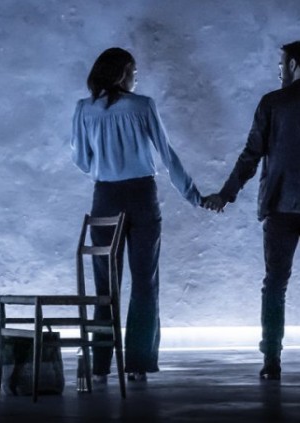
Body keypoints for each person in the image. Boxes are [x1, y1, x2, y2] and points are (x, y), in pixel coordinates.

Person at [204, 41, 300, 380]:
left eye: (280, 64)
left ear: (292, 65)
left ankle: (271, 361)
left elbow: (251, 155)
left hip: (279, 206)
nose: (278, 70)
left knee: (275, 284)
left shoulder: (272, 103)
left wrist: (226, 195)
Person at [71, 47, 203, 383]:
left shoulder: (84, 109)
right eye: (133, 71)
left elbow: (82, 161)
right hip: (142, 195)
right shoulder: (143, 106)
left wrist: (106, 160)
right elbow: (166, 154)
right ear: (121, 74)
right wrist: (193, 194)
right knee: (145, 281)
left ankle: (100, 366)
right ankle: (138, 364)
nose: (136, 78)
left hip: (105, 197)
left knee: (105, 284)